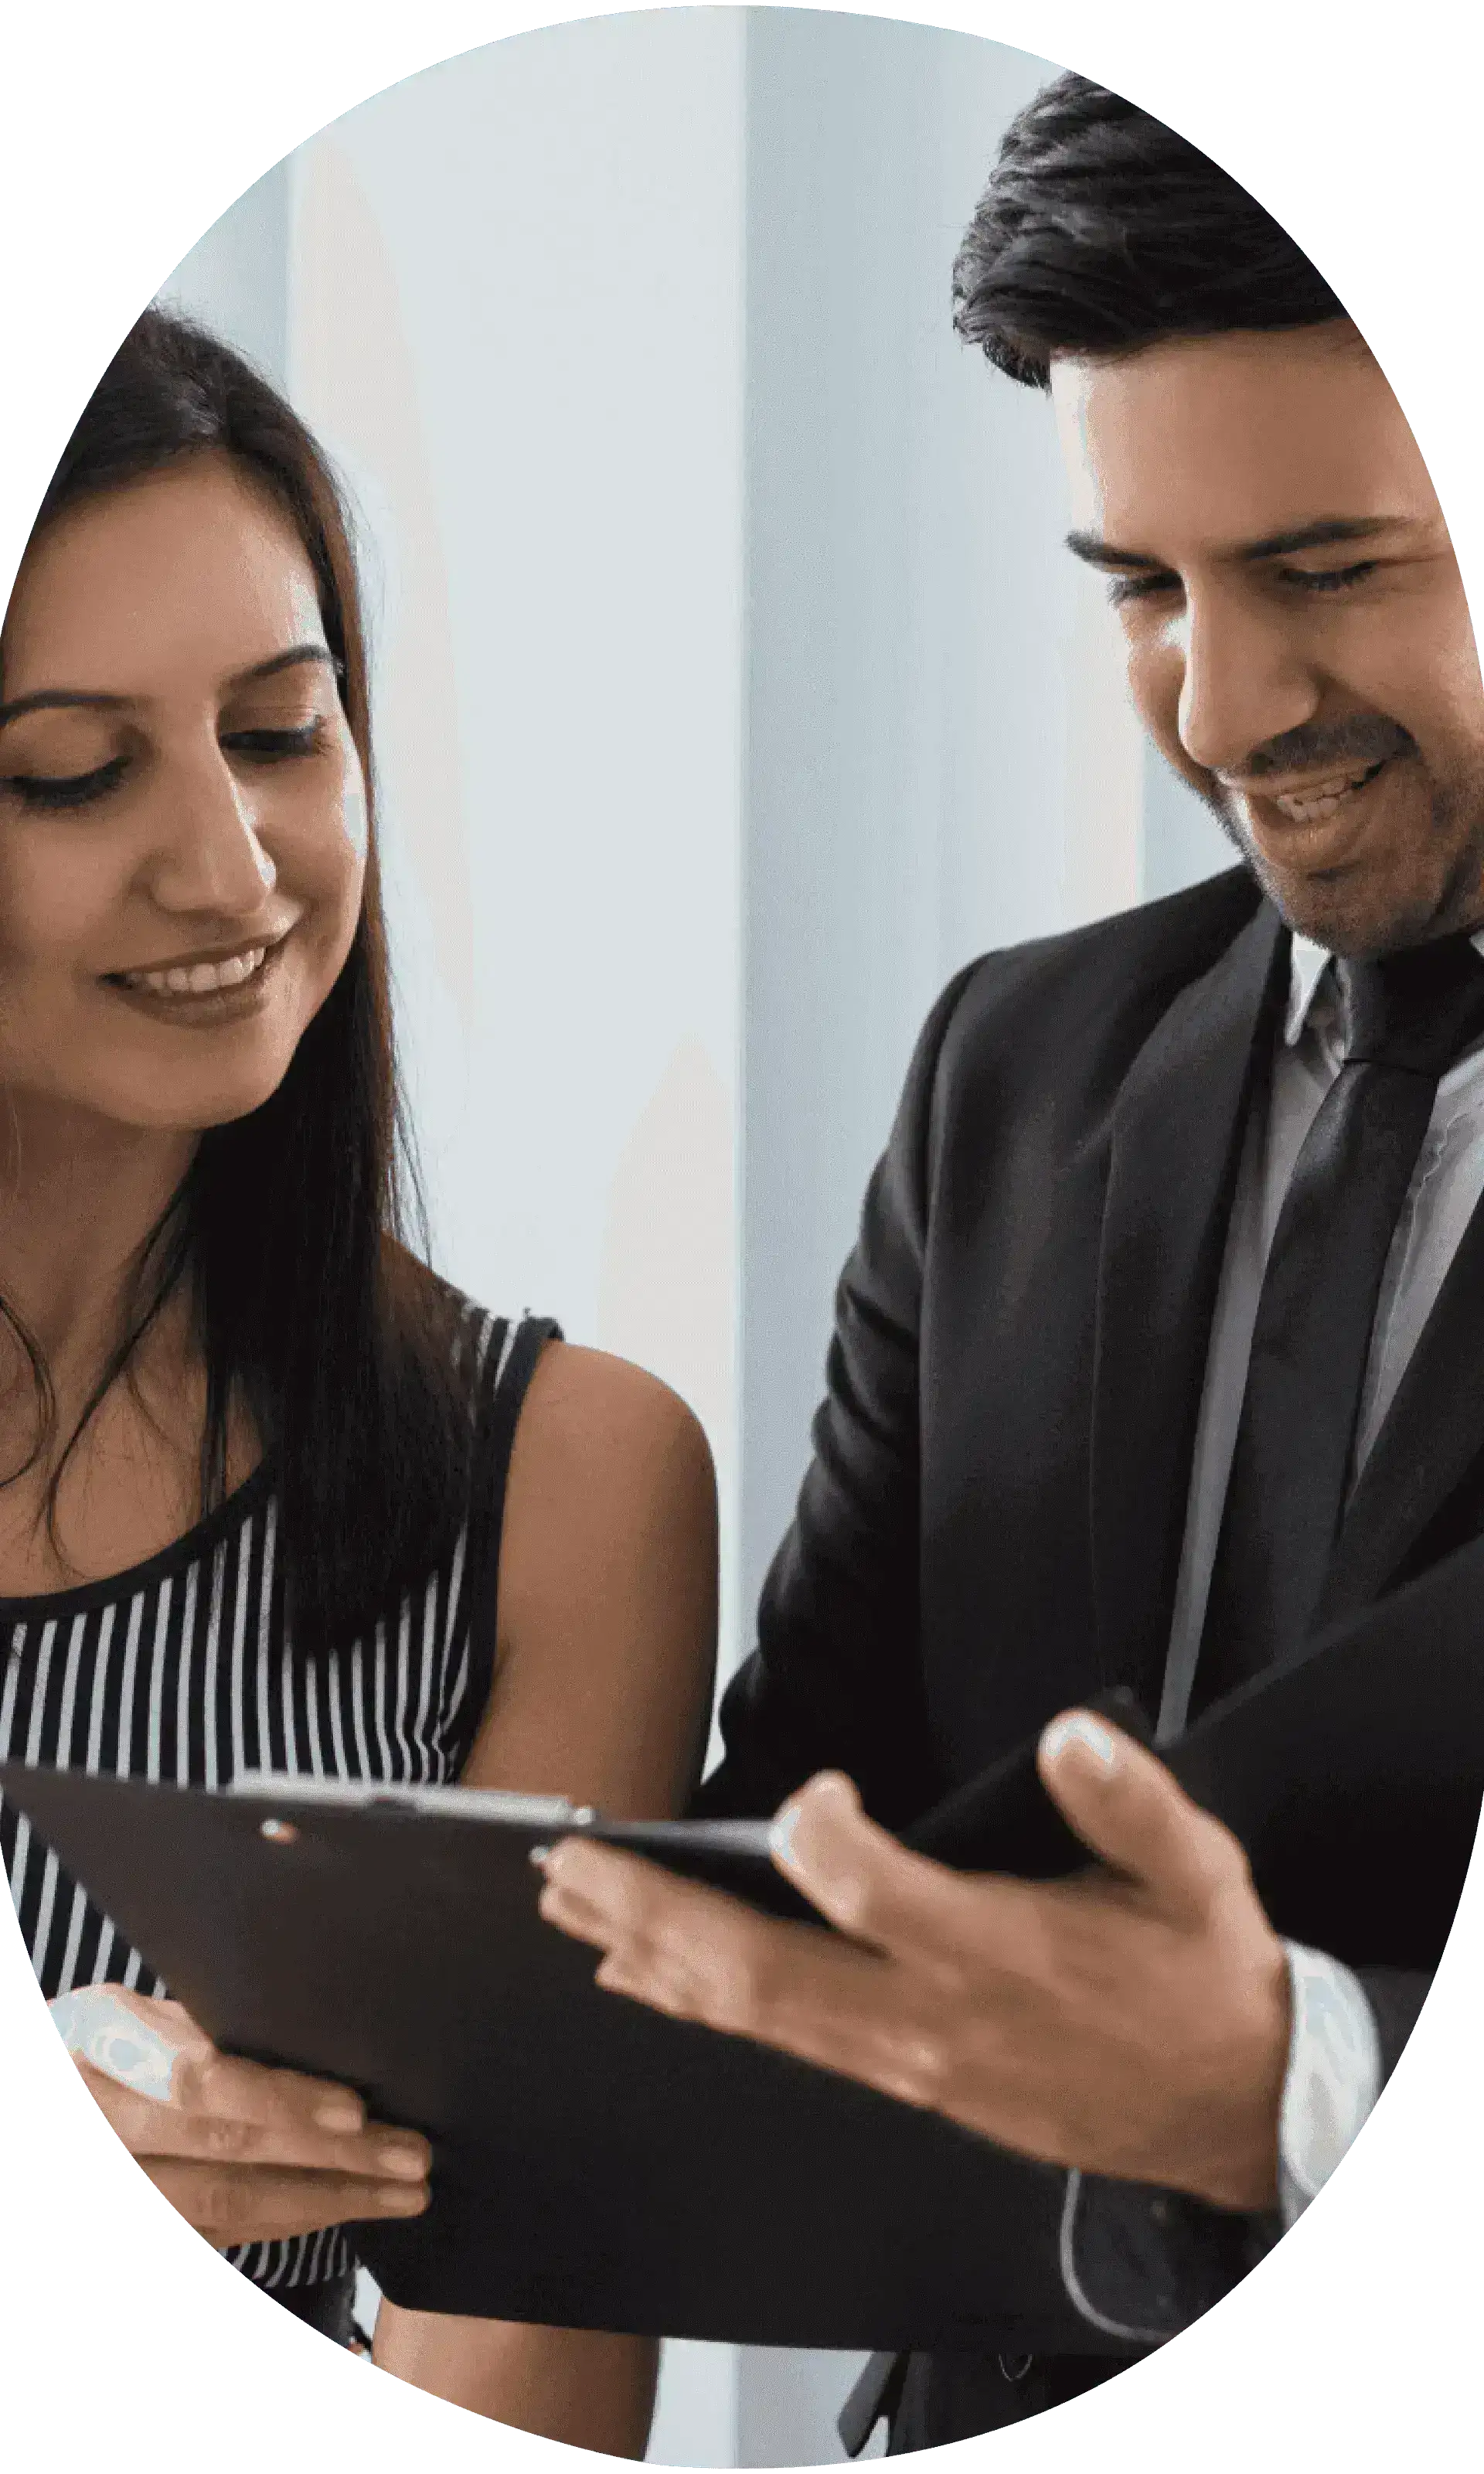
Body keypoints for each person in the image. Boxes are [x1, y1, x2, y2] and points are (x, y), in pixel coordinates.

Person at [536, 68, 1484, 2455]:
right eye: (1143, 591)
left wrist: (1294, 2089)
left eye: (1334, 568)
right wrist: (369, 2059)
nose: (1228, 708)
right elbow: (812, 1849)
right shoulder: (1015, 1078)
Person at [0, 306, 716, 2459]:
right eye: (67, 770)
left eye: (284, 731)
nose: (230, 868)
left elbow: (530, 2377)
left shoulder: (560, 1486)